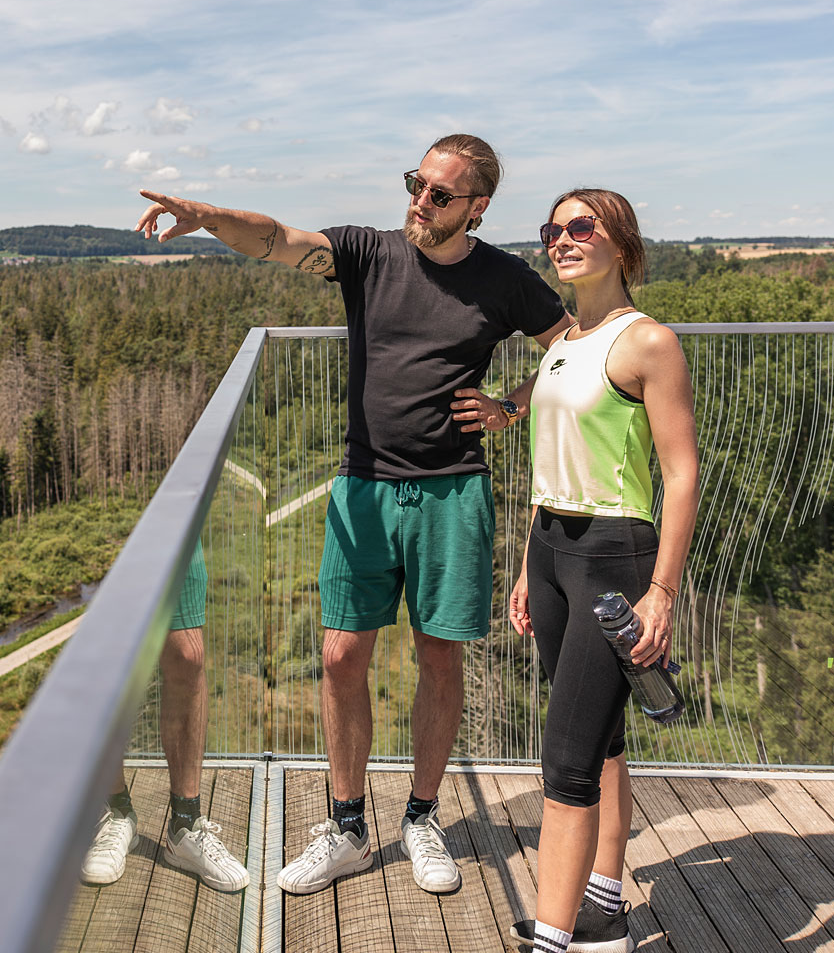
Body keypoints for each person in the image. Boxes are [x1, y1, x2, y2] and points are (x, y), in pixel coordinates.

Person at [136, 135, 572, 895]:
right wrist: (206, 216)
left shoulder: (504, 280)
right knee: (341, 656)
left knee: (440, 657)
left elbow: (571, 343)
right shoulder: (371, 253)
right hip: (363, 486)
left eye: (440, 194)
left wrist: (510, 407)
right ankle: (345, 828)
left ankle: (423, 818)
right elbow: (277, 240)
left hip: (452, 490)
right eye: (416, 184)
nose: (420, 202)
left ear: (477, 207)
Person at [454, 188, 698, 953]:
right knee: (600, 739)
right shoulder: (565, 340)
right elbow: (548, 442)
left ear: (620, 244)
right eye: (552, 230)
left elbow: (682, 474)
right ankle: (600, 904)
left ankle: (550, 940)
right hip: (555, 552)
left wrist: (661, 591)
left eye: (580, 227)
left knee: (564, 769)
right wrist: (530, 565)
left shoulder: (646, 341)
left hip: (612, 556)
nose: (562, 239)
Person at [79, 543, 250, 892]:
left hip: (175, 511)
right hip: (115, 525)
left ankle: (185, 825)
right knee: (108, 656)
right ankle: (116, 812)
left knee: (188, 656)